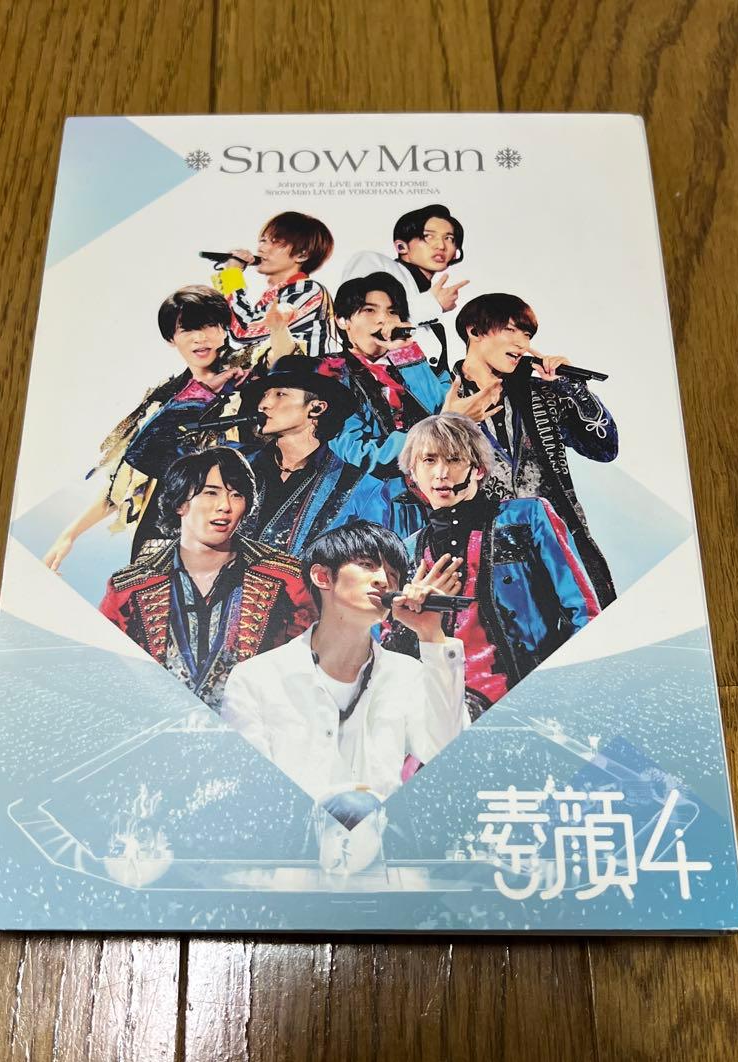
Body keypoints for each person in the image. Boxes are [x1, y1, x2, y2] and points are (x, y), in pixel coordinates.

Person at [221, 521, 468, 811]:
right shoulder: (256, 678)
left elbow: (447, 751)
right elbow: (250, 790)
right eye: (367, 565)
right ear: (322, 576)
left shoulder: (407, 675)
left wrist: (431, 635)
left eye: (393, 575)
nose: (383, 581)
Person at [43, 286, 295, 570]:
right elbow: (127, 478)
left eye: (209, 326)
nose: (200, 338)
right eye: (187, 329)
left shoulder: (247, 370)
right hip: (164, 528)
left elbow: (285, 364)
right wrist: (70, 534)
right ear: (171, 339)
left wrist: (278, 328)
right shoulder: (163, 397)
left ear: (224, 329)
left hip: (234, 522)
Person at [393, 414, 599, 719]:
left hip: (537, 699)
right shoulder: (406, 551)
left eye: (454, 459)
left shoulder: (527, 516)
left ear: (478, 468)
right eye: (429, 460)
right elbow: (395, 654)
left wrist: (567, 691)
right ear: (413, 471)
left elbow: (583, 610)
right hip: (450, 713)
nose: (440, 473)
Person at [99, 447, 315, 710]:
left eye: (237, 495)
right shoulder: (129, 587)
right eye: (211, 493)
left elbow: (311, 669)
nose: (225, 506)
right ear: (180, 503)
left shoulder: (287, 578)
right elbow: (105, 674)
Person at [453, 293, 619, 606]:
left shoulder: (540, 394)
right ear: (474, 331)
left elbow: (604, 448)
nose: (522, 344)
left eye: (527, 335)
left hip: (562, 553)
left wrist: (571, 387)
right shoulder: (440, 395)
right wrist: (450, 422)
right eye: (510, 330)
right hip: (488, 562)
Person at [329, 272, 498, 480]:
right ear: (342, 320)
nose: (384, 319)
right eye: (369, 310)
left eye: (392, 312)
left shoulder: (418, 364)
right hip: (378, 493)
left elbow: (442, 408)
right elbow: (360, 455)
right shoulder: (328, 374)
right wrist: (440, 427)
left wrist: (405, 353)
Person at [237, 355, 381, 556]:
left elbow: (372, 562)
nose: (263, 404)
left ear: (317, 408)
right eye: (264, 394)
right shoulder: (237, 466)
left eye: (280, 394)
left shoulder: (361, 487)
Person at [342, 204, 469, 374]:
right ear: (401, 246)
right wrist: (432, 304)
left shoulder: (435, 326)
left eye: (449, 238)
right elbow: (361, 320)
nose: (441, 245)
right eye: (428, 236)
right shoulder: (374, 262)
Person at [221, 211, 336, 356]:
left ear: (302, 255)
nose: (261, 248)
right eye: (263, 240)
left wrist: (232, 275)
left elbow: (244, 330)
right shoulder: (275, 296)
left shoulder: (308, 290)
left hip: (301, 370)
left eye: (275, 242)